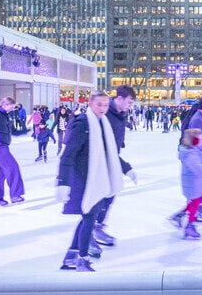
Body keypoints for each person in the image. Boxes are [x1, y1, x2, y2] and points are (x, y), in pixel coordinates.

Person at [56, 91, 126, 272]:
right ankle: (82, 260)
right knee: (89, 218)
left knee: (89, 217)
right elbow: (68, 155)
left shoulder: (102, 124)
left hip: (97, 178)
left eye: (105, 105)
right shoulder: (83, 124)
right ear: (90, 104)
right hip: (83, 179)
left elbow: (108, 153)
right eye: (99, 105)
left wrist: (126, 168)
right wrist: (62, 181)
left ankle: (72, 256)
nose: (102, 108)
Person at [90, 85, 138, 252]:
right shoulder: (105, 114)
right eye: (129, 102)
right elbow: (101, 144)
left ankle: (98, 227)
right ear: (119, 98)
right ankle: (87, 237)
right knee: (97, 199)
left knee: (110, 195)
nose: (130, 106)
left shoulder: (120, 114)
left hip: (111, 160)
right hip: (98, 162)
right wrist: (125, 167)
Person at [173, 128, 202, 240]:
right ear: (194, 140)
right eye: (200, 139)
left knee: (196, 201)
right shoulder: (190, 154)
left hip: (193, 181)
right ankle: (189, 226)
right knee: (196, 202)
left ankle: (180, 216)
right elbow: (196, 167)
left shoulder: (192, 150)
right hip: (192, 182)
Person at [0, 97, 25, 206]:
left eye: (13, 107)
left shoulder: (7, 115)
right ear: (4, 104)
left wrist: (25, 131)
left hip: (4, 144)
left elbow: (13, 131)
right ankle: (15, 195)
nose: (11, 109)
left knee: (1, 173)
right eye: (10, 107)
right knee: (12, 166)